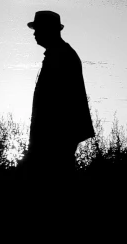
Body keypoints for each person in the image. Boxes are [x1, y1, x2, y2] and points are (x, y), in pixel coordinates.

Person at [24, 10, 95, 174]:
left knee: (55, 175)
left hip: (56, 134)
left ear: (48, 30)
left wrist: (39, 142)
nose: (34, 33)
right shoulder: (59, 53)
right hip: (59, 133)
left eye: (38, 29)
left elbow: (55, 103)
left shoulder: (60, 55)